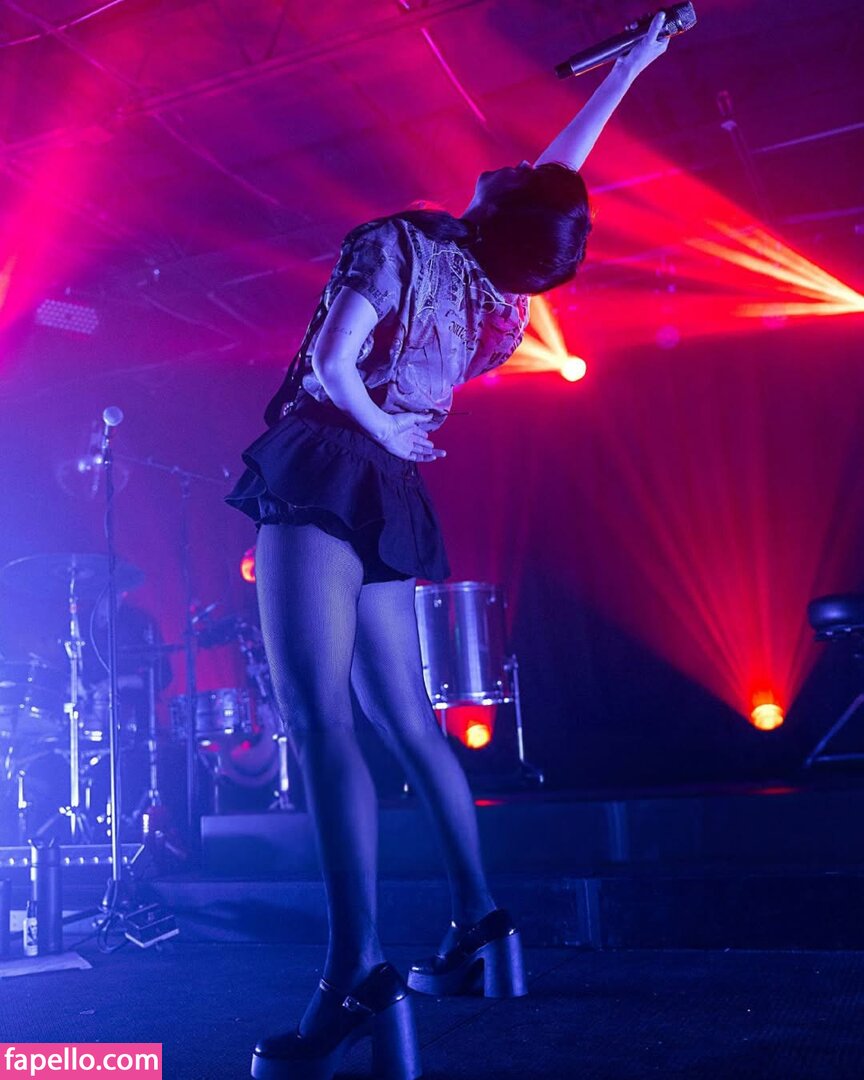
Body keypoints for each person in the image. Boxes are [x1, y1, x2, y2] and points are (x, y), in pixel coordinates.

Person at [227, 18, 669, 1080]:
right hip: (392, 490)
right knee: (406, 721)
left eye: (523, 179)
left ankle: (354, 976)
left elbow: (333, 369)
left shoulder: (397, 244)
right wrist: (632, 66)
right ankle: (481, 922)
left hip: (330, 462)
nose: (523, 164)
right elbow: (553, 187)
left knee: (318, 721)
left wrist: (382, 426)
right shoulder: (503, 293)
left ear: (500, 209)